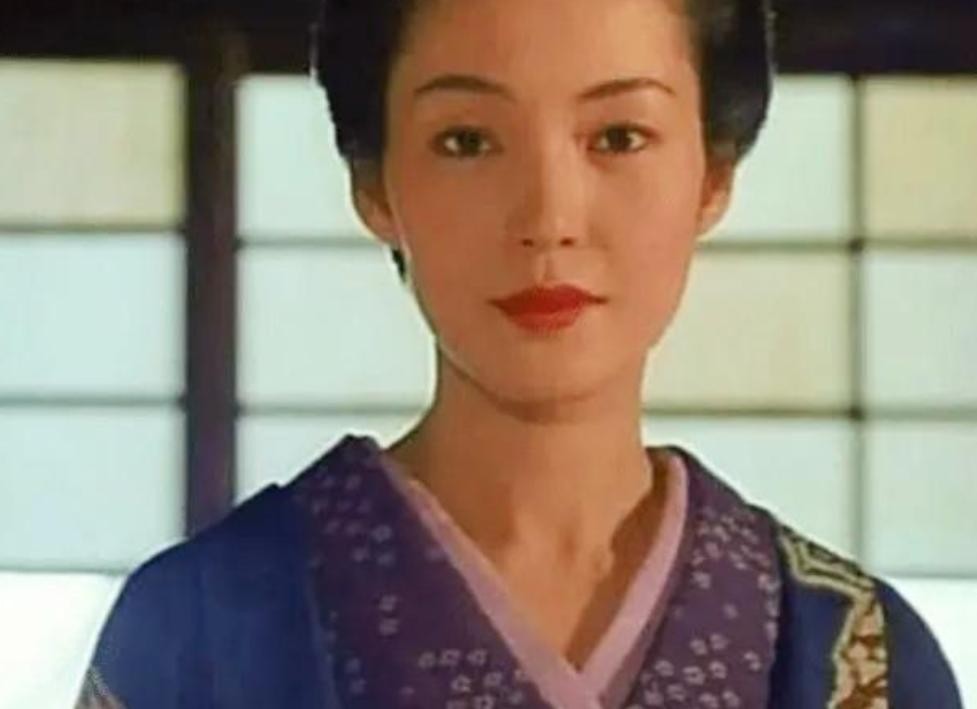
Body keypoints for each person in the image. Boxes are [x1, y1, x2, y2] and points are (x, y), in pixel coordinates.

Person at [77, 0, 964, 706]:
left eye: (618, 137)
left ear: (713, 174)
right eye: (466, 140)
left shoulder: (855, 651)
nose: (548, 217)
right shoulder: (198, 626)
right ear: (374, 184)